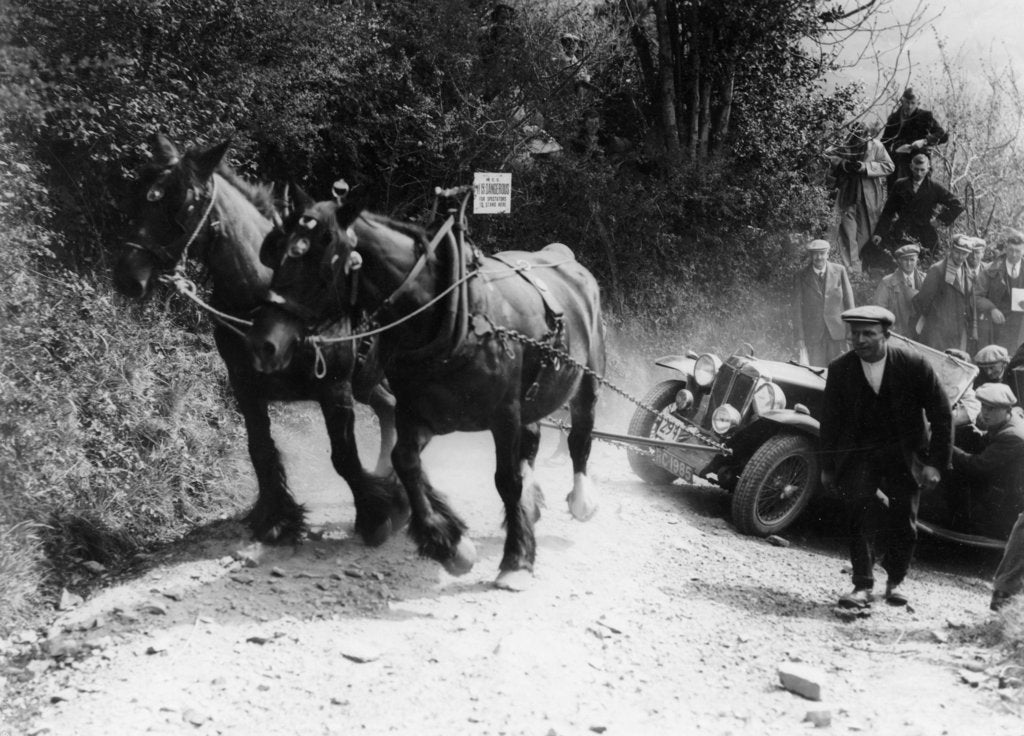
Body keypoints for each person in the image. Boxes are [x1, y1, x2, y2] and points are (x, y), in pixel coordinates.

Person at [820, 306, 952, 610]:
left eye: (869, 334)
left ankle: (895, 581)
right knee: (859, 511)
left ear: (887, 335)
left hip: (904, 453)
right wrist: (828, 467)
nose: (860, 340)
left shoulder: (914, 364)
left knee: (905, 518)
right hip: (861, 452)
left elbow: (941, 413)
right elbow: (830, 421)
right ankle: (862, 586)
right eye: (855, 333)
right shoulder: (841, 368)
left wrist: (935, 463)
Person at [870, 153, 964, 260]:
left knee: (927, 265)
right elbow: (888, 212)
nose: (919, 173)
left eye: (922, 170)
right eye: (916, 169)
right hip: (901, 232)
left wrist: (939, 221)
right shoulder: (900, 185)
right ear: (911, 167)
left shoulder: (934, 187)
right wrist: (879, 233)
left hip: (926, 235)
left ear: (928, 169)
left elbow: (957, 205)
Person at [828, 121, 894, 273]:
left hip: (868, 195)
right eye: (855, 135)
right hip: (847, 193)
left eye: (861, 136)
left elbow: (889, 166)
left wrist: (866, 167)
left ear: (867, 135)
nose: (858, 139)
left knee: (865, 233)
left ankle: (864, 268)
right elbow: (827, 155)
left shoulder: (876, 146)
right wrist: (843, 164)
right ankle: (851, 271)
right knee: (847, 233)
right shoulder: (844, 145)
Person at [792, 239, 855, 366]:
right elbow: (796, 309)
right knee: (816, 373)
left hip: (838, 334)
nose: (819, 257)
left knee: (840, 371)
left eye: (822, 253)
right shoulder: (801, 276)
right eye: (815, 254)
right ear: (810, 256)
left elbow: (849, 302)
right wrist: (800, 337)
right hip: (814, 336)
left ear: (828, 254)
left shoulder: (839, 271)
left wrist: (852, 330)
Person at [914, 235, 977, 352]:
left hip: (958, 330)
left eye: (964, 253)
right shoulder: (938, 270)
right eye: (957, 252)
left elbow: (969, 301)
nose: (960, 257)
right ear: (951, 249)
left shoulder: (968, 272)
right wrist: (936, 317)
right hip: (937, 330)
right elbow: (923, 301)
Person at [881, 87, 949, 186]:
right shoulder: (893, 119)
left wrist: (924, 141)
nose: (909, 106)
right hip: (897, 166)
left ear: (918, 103)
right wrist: (896, 150)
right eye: (907, 102)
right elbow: (884, 143)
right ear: (902, 101)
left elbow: (942, 135)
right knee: (897, 197)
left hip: (919, 167)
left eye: (913, 103)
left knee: (919, 197)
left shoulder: (925, 117)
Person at [976, 230, 1024, 355]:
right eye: (1010, 250)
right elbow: (976, 296)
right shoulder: (991, 270)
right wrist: (991, 309)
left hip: (1020, 331)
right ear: (1005, 249)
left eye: (1018, 251)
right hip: (995, 329)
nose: (1014, 254)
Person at [872, 243, 924, 337]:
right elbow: (878, 310)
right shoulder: (887, 282)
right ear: (899, 260)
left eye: (912, 259)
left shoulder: (924, 280)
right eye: (905, 260)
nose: (908, 263)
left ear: (917, 260)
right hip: (897, 334)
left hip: (919, 334)